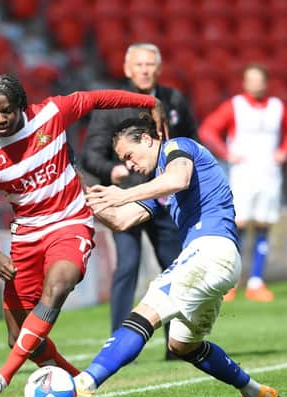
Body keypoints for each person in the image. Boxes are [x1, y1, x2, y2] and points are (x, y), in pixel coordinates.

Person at [0, 74, 166, 397]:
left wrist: (148, 102)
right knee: (18, 336)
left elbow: (97, 98)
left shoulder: (51, 114)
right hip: (26, 235)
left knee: (57, 287)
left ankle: (3, 377)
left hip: (70, 222)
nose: (0, 119)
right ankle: (76, 384)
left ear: (22, 106)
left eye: (7, 112)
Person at [72, 115, 278, 397]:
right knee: (183, 345)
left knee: (146, 311)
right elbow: (123, 220)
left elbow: (178, 178)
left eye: (129, 155)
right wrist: (85, 200)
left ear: (146, 139)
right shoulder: (160, 187)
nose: (129, 165)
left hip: (210, 251)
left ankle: (85, 382)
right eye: (123, 160)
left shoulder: (177, 148)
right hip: (217, 262)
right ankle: (254, 390)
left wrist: (123, 193)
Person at [81, 42, 198, 360]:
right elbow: (89, 154)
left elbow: (190, 142)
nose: (145, 70)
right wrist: (113, 170)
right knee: (127, 267)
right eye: (139, 65)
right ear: (126, 69)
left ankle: (179, 344)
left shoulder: (173, 100)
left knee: (176, 267)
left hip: (167, 201)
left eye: (150, 64)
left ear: (159, 68)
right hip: (126, 200)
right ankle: (118, 346)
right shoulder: (111, 104)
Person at [198, 64, 287, 302]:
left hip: (269, 175)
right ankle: (230, 282)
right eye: (250, 80)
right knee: (239, 225)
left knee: (264, 225)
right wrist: (225, 152)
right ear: (244, 83)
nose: (255, 84)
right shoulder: (235, 105)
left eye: (258, 79)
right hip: (243, 175)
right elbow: (208, 130)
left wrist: (284, 151)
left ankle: (256, 282)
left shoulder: (277, 107)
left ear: (266, 82)